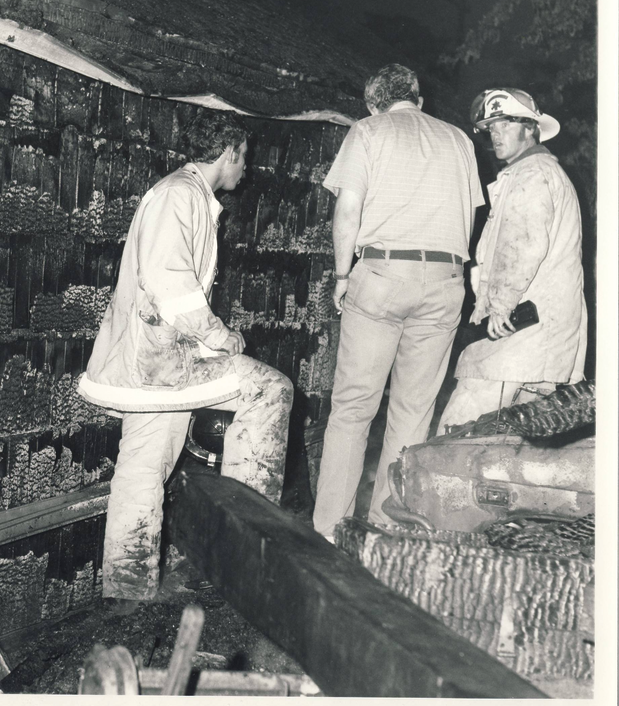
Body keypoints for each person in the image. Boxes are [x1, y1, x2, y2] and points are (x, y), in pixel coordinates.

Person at [77, 110, 293, 604]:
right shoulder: (181, 195)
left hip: (153, 361)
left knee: (143, 465)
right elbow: (169, 282)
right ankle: (244, 554)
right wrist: (217, 335)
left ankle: (126, 590)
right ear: (229, 150)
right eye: (245, 157)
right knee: (270, 390)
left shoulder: (185, 194)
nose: (247, 168)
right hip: (161, 361)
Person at [312, 64, 484, 541]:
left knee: (353, 409)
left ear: (373, 104)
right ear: (418, 99)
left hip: (384, 274)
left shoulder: (367, 132)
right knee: (413, 413)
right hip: (446, 280)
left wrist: (344, 274)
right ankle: (388, 530)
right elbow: (469, 219)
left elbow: (347, 211)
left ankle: (331, 529)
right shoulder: (459, 140)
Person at [438, 88, 587, 429]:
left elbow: (521, 246)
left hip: (521, 329)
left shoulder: (532, 176)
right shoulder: (534, 173)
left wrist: (500, 306)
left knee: (459, 427)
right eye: (491, 127)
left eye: (505, 125)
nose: (495, 134)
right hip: (539, 330)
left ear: (530, 128)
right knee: (516, 438)